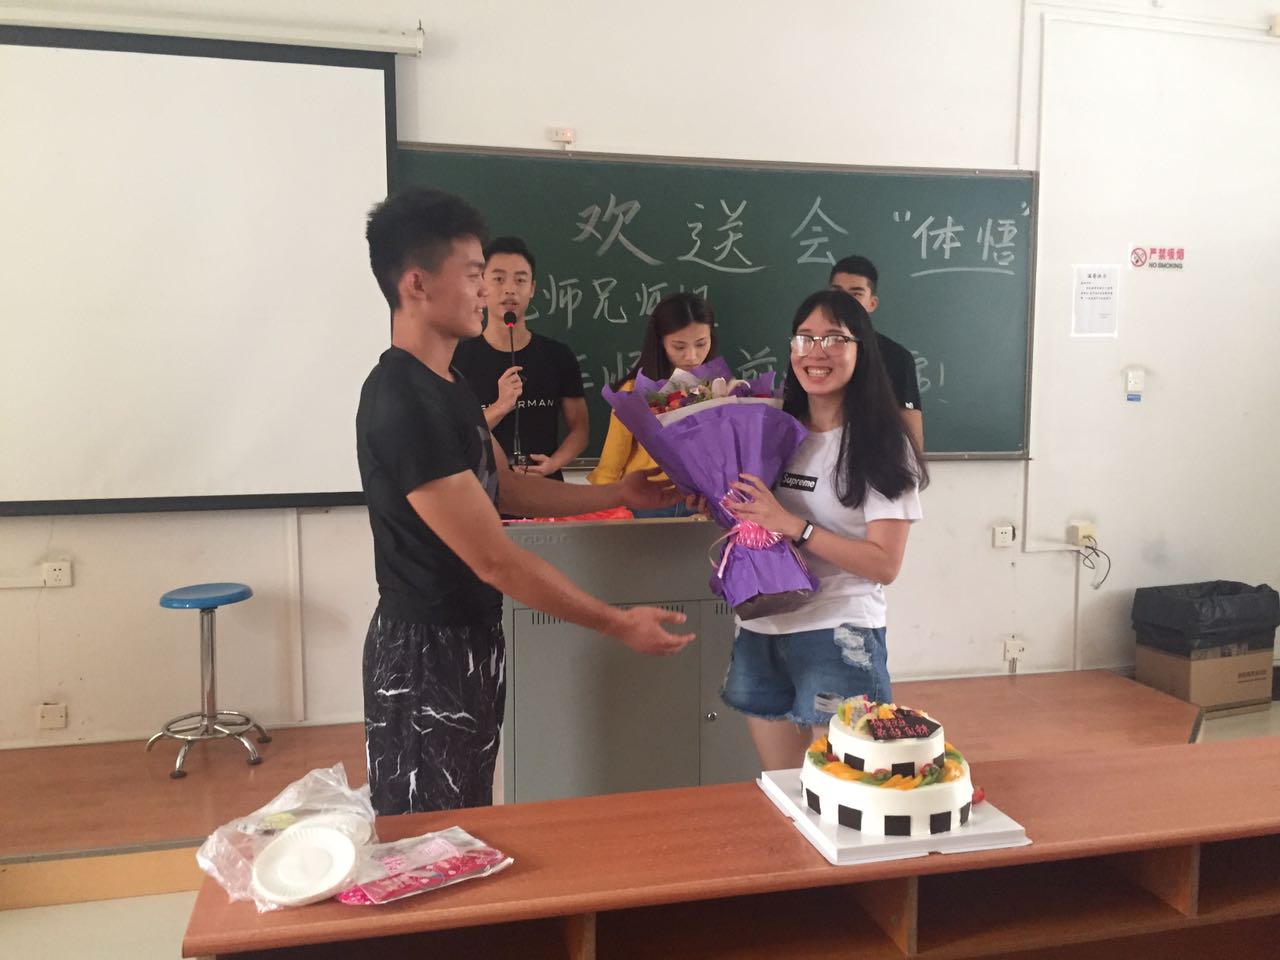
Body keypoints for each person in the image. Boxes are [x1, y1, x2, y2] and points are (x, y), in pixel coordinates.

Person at [356, 188, 694, 815]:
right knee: (426, 833)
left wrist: (617, 492)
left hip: (470, 637)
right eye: (474, 275)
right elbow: (495, 559)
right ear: (417, 284)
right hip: (425, 652)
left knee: (467, 810)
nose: (486, 293)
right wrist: (616, 622)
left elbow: (506, 487)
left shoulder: (450, 383)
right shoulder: (403, 400)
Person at [719, 289, 928, 771]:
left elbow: (885, 564)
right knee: (782, 787)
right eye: (805, 338)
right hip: (761, 626)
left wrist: (796, 527)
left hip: (838, 632)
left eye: (835, 338)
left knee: (843, 786)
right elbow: (757, 524)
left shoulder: (883, 444)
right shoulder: (769, 431)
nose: (816, 352)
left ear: (862, 350)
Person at [453, 236, 587, 480]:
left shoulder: (557, 355)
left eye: (520, 280)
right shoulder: (458, 359)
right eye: (498, 279)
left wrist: (553, 464)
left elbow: (580, 429)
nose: (510, 289)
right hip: (482, 489)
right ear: (481, 285)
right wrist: (500, 407)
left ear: (532, 288)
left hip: (545, 487)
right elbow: (454, 436)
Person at [587, 292, 717, 516]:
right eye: (679, 346)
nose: (692, 356)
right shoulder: (633, 392)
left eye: (701, 344)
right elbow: (610, 465)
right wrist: (602, 512)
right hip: (647, 501)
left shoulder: (717, 388)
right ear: (660, 342)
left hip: (700, 502)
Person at [828, 255, 924, 452]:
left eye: (856, 294)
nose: (844, 301)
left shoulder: (897, 358)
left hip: (872, 461)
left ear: (872, 303)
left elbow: (911, 433)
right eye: (837, 292)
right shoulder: (808, 351)